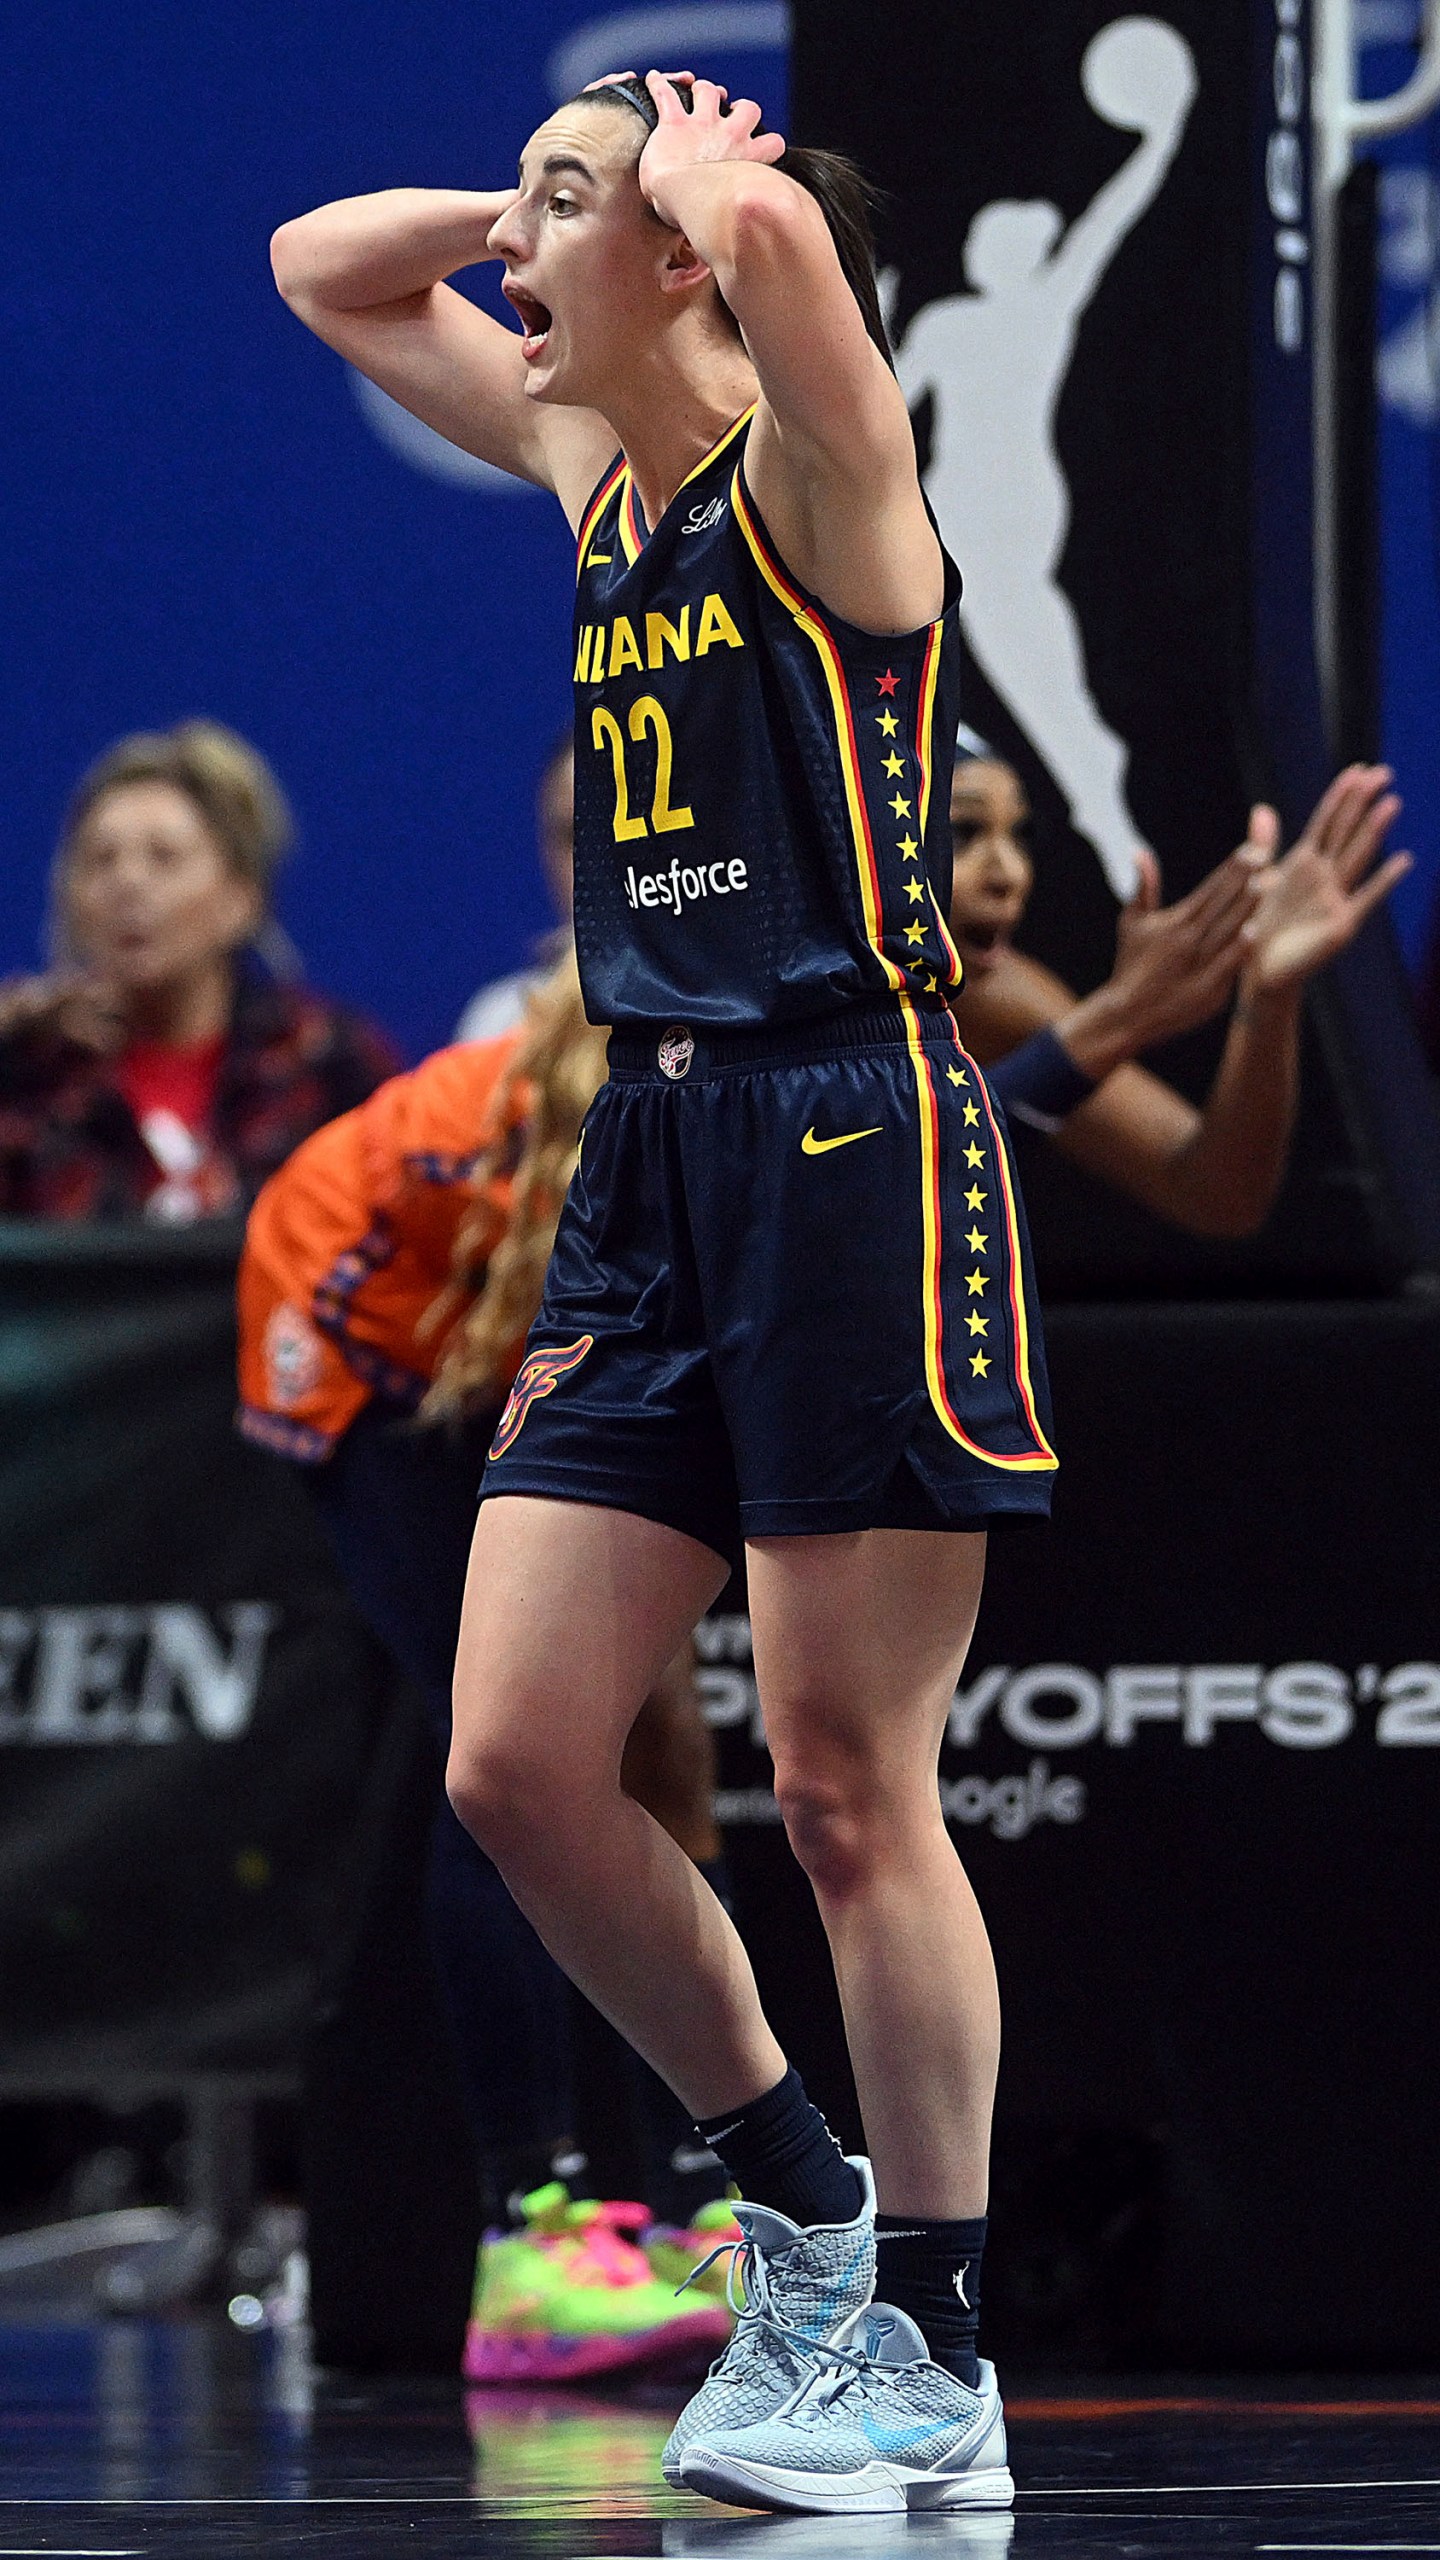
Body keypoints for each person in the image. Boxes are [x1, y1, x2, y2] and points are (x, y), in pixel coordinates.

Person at [273, 69, 1054, 2516]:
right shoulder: (592, 472)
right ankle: (795, 2195)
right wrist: (562, 173)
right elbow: (323, 268)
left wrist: (711, 190)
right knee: (517, 1757)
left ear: (702, 262)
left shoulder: (824, 490)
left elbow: (811, 302)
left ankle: (927, 2337)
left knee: (838, 1781)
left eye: (558, 214)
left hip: (852, 1128)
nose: (511, 252)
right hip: (653, 1141)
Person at [238, 955, 736, 2382]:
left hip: (477, 1331)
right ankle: (535, 2233)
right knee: (512, 1758)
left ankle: (693, 2197)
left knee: (658, 1751)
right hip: (354, 1345)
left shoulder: (737, 1097)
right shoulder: (576, 1142)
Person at [949, 740, 1411, 1228]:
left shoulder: (993, 995)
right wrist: (1120, 1016)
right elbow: (893, 1163)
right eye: (962, 832)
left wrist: (1269, 995)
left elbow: (1215, 1194)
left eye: (1021, 834)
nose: (1010, 874)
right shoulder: (859, 995)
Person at [0, 722, 396, 1220]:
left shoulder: (326, 1067)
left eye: (164, 858)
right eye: (100, 860)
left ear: (242, 897)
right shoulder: (27, 1079)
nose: (128, 884)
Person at [454, 734, 574, 1040]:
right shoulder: (497, 1021)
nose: (591, 861)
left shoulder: (704, 1005)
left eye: (611, 831)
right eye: (571, 836)